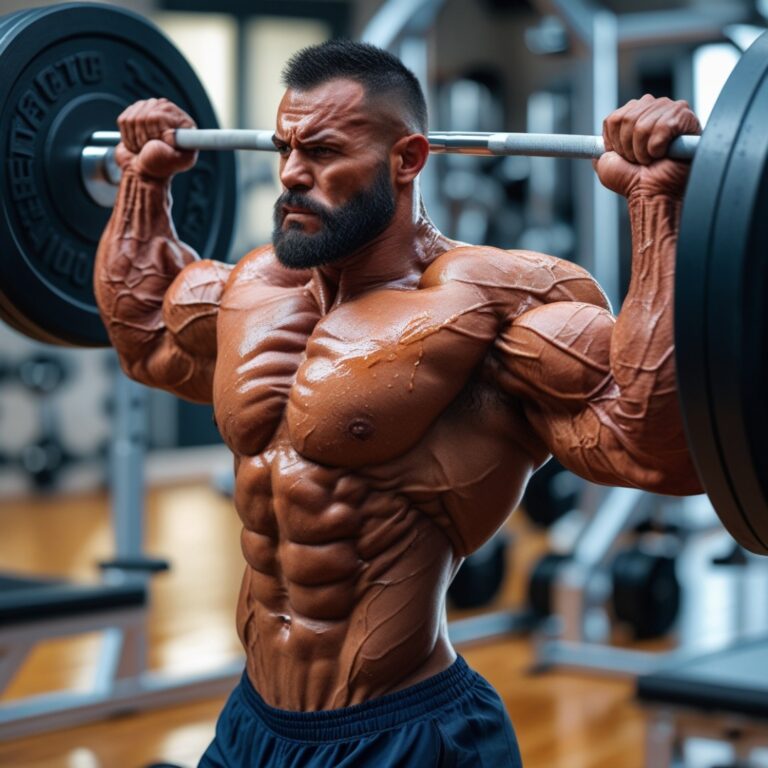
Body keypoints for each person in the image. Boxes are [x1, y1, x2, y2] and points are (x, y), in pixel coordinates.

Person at [95, 39, 702, 767]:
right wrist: (141, 181)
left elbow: (654, 448)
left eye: (321, 151)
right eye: (286, 147)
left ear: (407, 159)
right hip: (253, 722)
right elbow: (145, 341)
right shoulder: (257, 286)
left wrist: (656, 205)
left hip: (408, 734)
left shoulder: (497, 302)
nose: (291, 174)